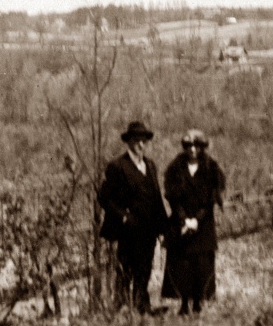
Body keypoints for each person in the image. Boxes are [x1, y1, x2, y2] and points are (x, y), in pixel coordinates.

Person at [97, 121, 168, 314]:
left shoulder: (150, 165)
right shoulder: (118, 166)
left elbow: (156, 198)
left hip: (149, 228)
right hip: (128, 230)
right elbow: (104, 198)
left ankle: (142, 307)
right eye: (136, 140)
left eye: (143, 141)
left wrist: (163, 229)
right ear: (128, 142)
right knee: (125, 270)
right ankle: (121, 308)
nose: (141, 145)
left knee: (144, 270)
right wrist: (124, 217)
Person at [161, 129, 226, 315]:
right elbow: (172, 197)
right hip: (180, 222)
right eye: (188, 146)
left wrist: (196, 220)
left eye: (196, 146)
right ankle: (183, 303)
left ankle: (198, 302)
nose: (192, 149)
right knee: (182, 263)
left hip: (203, 223)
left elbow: (211, 199)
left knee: (201, 263)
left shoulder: (211, 168)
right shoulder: (175, 168)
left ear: (202, 147)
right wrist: (183, 220)